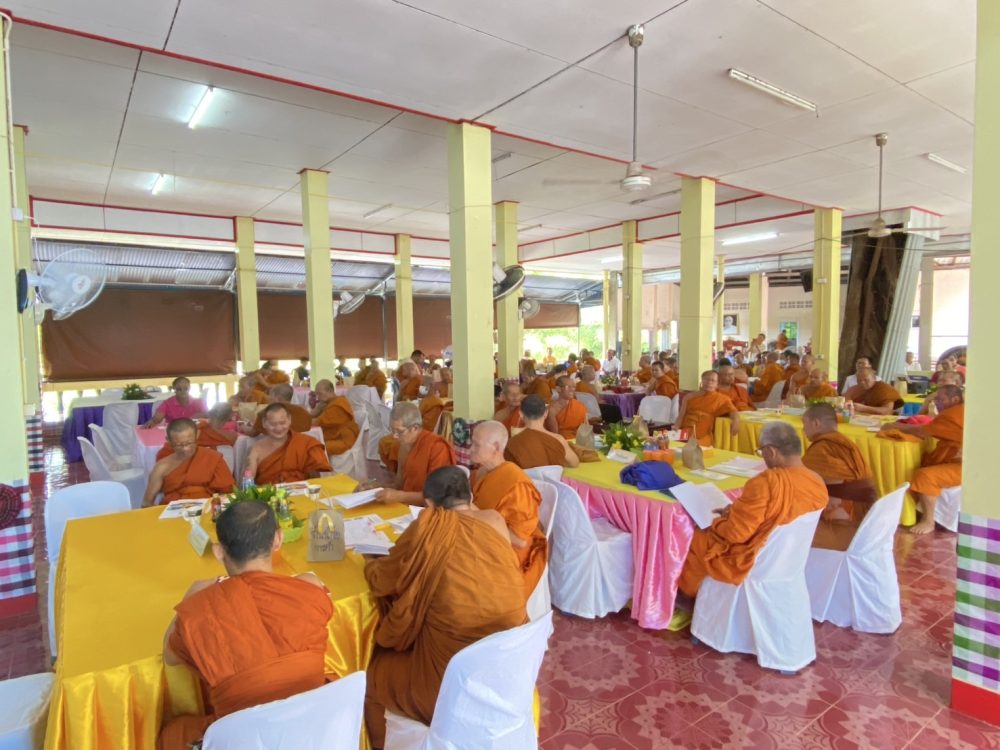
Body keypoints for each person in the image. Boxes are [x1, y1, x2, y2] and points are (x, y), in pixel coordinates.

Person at [364, 467, 526, 749]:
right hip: (507, 673)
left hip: (448, 687)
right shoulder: (495, 520)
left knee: (371, 673)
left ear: (429, 505)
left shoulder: (428, 528)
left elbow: (384, 580)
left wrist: (368, 563)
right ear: (471, 496)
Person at [158, 501, 332, 749]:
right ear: (278, 540)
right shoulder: (309, 590)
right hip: (311, 728)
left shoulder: (201, 606)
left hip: (241, 739)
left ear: (219, 552)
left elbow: (170, 655)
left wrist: (190, 600)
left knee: (170, 733)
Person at [678, 422, 828, 597]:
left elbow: (735, 534)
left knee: (692, 536)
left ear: (771, 451)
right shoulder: (817, 481)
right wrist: (734, 512)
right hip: (788, 560)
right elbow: (776, 515)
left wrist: (718, 522)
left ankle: (688, 596)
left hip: (752, 561)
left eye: (761, 451)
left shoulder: (766, 483)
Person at [469, 421, 548, 598]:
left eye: (476, 444)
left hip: (511, 553)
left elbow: (520, 541)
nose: (470, 449)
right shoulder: (482, 472)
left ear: (496, 447)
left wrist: (472, 510)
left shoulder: (517, 484)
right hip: (483, 537)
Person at [883, 384, 964, 535]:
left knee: (924, 475)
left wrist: (896, 426)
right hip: (959, 460)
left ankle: (928, 520)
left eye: (940, 399)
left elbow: (923, 431)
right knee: (923, 461)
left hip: (967, 466)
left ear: (954, 399)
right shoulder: (959, 412)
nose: (937, 403)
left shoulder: (953, 414)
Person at [801, 404, 877, 548]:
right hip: (867, 515)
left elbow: (799, 478)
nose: (803, 429)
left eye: (804, 424)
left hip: (846, 523)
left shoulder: (823, 448)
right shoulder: (845, 442)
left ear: (816, 423)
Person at [371, 402, 455, 505]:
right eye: (392, 431)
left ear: (415, 428)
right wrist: (377, 487)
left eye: (399, 432)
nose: (394, 436)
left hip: (428, 509)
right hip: (406, 504)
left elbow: (437, 496)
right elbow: (399, 485)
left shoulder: (437, 448)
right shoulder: (403, 446)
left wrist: (399, 496)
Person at [143, 419, 235, 507]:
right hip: (173, 511)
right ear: (169, 440)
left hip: (208, 508)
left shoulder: (212, 457)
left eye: (189, 443)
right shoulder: (162, 467)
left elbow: (228, 491)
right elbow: (146, 503)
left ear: (197, 435)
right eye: (179, 445)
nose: (185, 449)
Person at [247, 403, 331, 484]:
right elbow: (248, 478)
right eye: (273, 424)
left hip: (301, 491)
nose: (278, 428)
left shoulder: (306, 443)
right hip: (270, 492)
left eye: (282, 423)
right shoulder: (256, 449)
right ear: (264, 423)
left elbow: (315, 479)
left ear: (289, 420)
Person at [504, 395, 580, 470]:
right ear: (546, 413)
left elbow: (508, 470)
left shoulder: (512, 443)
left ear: (521, 414)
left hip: (525, 478)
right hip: (551, 478)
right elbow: (574, 463)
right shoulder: (558, 439)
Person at [676, 371, 740, 446]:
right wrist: (676, 428)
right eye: (706, 379)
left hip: (703, 433)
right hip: (686, 430)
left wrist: (736, 422)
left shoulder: (722, 399)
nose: (709, 382)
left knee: (696, 446)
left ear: (717, 384)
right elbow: (681, 416)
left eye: (713, 380)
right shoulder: (689, 396)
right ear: (702, 381)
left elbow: (733, 411)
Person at [155, 404, 238, 460]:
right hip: (210, 466)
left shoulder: (197, 429)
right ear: (228, 418)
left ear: (210, 413)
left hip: (183, 463)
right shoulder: (231, 436)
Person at [311, 379, 360, 456]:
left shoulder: (337, 405)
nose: (318, 398)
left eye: (319, 394)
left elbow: (317, 422)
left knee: (315, 447)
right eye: (316, 394)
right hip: (335, 437)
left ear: (330, 391)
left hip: (343, 441)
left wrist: (315, 411)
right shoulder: (329, 403)